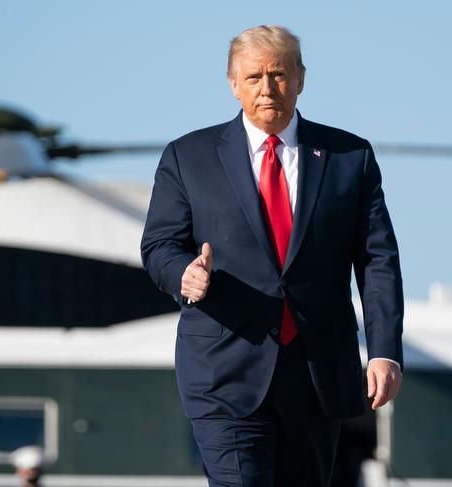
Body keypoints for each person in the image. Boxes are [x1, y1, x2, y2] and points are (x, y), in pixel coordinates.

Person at [140, 25, 403, 487]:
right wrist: (183, 273)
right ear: (232, 83)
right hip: (224, 372)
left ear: (301, 78)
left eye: (279, 74)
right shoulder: (188, 157)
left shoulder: (349, 156)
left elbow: (376, 259)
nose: (267, 88)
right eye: (254, 76)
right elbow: (159, 245)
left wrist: (384, 351)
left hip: (317, 373)